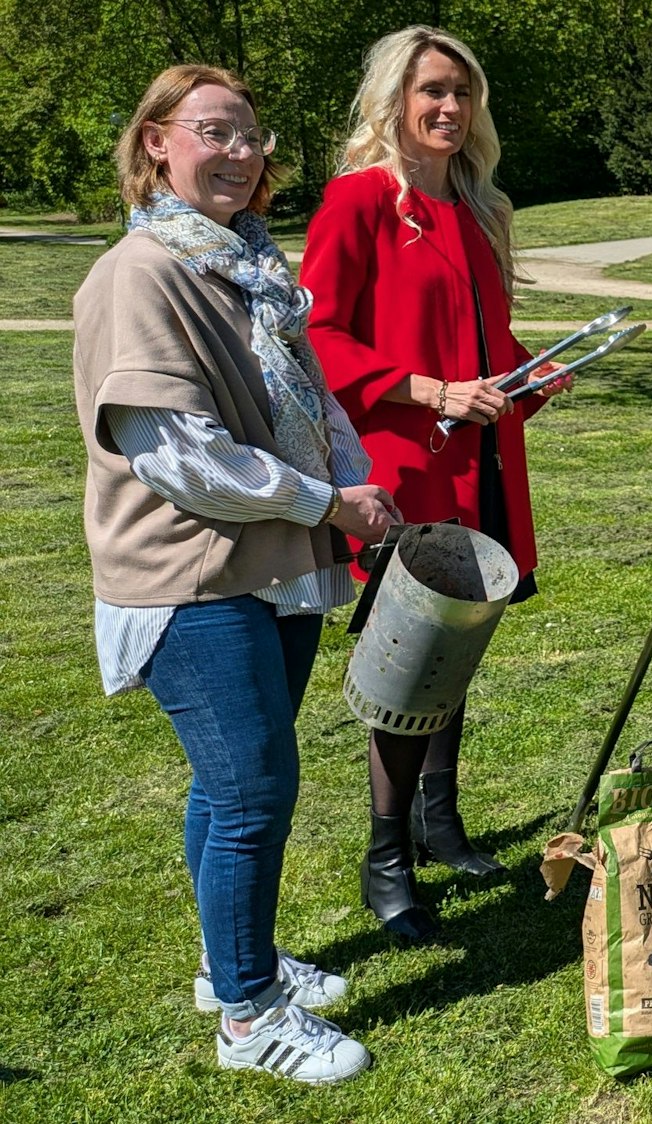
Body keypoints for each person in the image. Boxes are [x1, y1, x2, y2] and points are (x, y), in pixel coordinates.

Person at [75, 64, 398, 1083]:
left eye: (251, 137)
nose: (239, 152)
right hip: (188, 574)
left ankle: (233, 967)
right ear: (156, 143)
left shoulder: (249, 266)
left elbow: (310, 397)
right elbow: (178, 455)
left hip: (269, 562)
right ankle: (250, 1018)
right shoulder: (143, 274)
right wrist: (323, 502)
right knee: (253, 787)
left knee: (230, 789)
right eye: (214, 132)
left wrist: (354, 477)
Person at [302, 26, 568, 942]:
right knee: (405, 662)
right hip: (403, 469)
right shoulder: (358, 201)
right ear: (394, 101)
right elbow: (320, 339)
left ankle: (439, 820)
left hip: (482, 467)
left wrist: (529, 370)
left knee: (456, 650)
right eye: (431, 92)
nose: (448, 107)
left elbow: (486, 339)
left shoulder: (479, 206)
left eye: (461, 91)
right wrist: (427, 390)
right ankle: (386, 857)